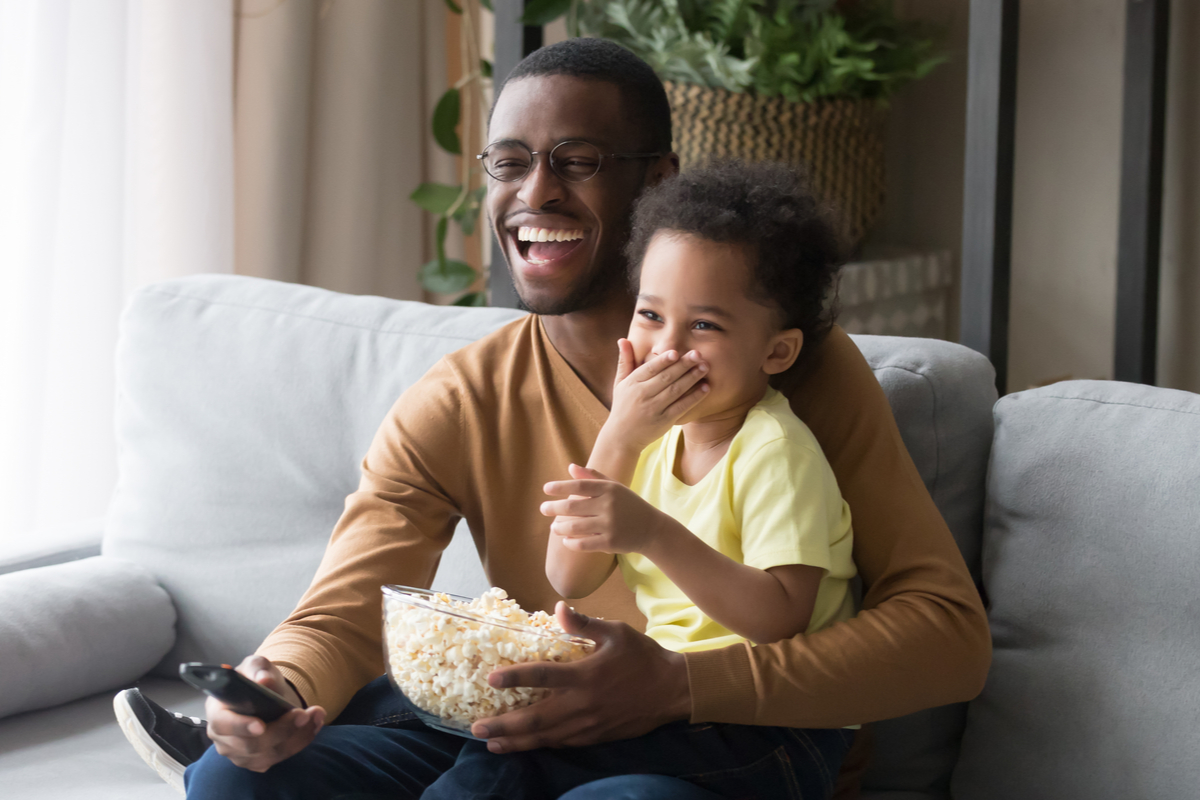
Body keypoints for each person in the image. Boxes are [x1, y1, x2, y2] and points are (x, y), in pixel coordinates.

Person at [117, 37, 990, 800]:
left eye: (576, 160)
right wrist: (275, 688)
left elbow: (947, 638)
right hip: (522, 740)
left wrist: (682, 687)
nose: (537, 192)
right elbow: (346, 607)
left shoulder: (796, 376)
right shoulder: (459, 399)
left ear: (658, 184)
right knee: (233, 777)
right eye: (508, 162)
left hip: (716, 756)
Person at [413, 160, 859, 800]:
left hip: (774, 729)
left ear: (776, 352)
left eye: (703, 325)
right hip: (674, 707)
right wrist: (619, 437)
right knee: (498, 752)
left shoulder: (775, 450)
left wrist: (653, 531)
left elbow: (778, 618)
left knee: (517, 766)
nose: (667, 348)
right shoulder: (650, 441)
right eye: (650, 315)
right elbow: (571, 577)